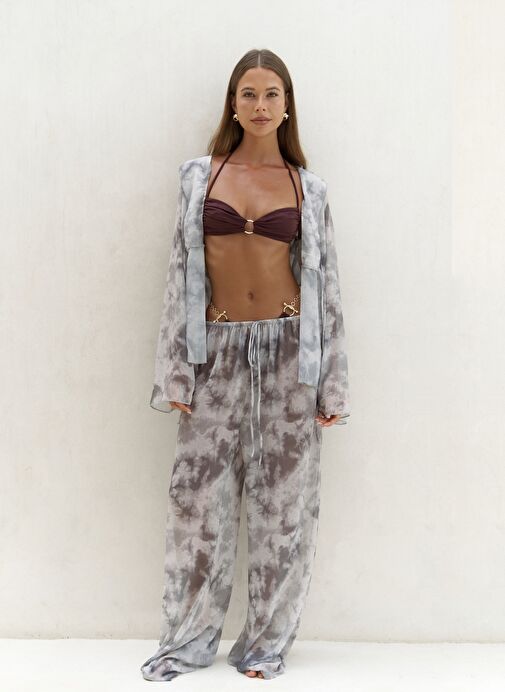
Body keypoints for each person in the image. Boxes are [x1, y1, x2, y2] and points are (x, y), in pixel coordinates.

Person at [140, 48, 350, 682]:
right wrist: (176, 369)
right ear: (233, 104)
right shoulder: (198, 177)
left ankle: (264, 644)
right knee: (197, 506)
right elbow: (179, 273)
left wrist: (331, 382)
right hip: (215, 355)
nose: (260, 105)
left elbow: (325, 287)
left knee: (283, 509)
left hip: (289, 358)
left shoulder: (307, 188)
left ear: (287, 107)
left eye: (272, 94)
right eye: (249, 93)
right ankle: (188, 640)